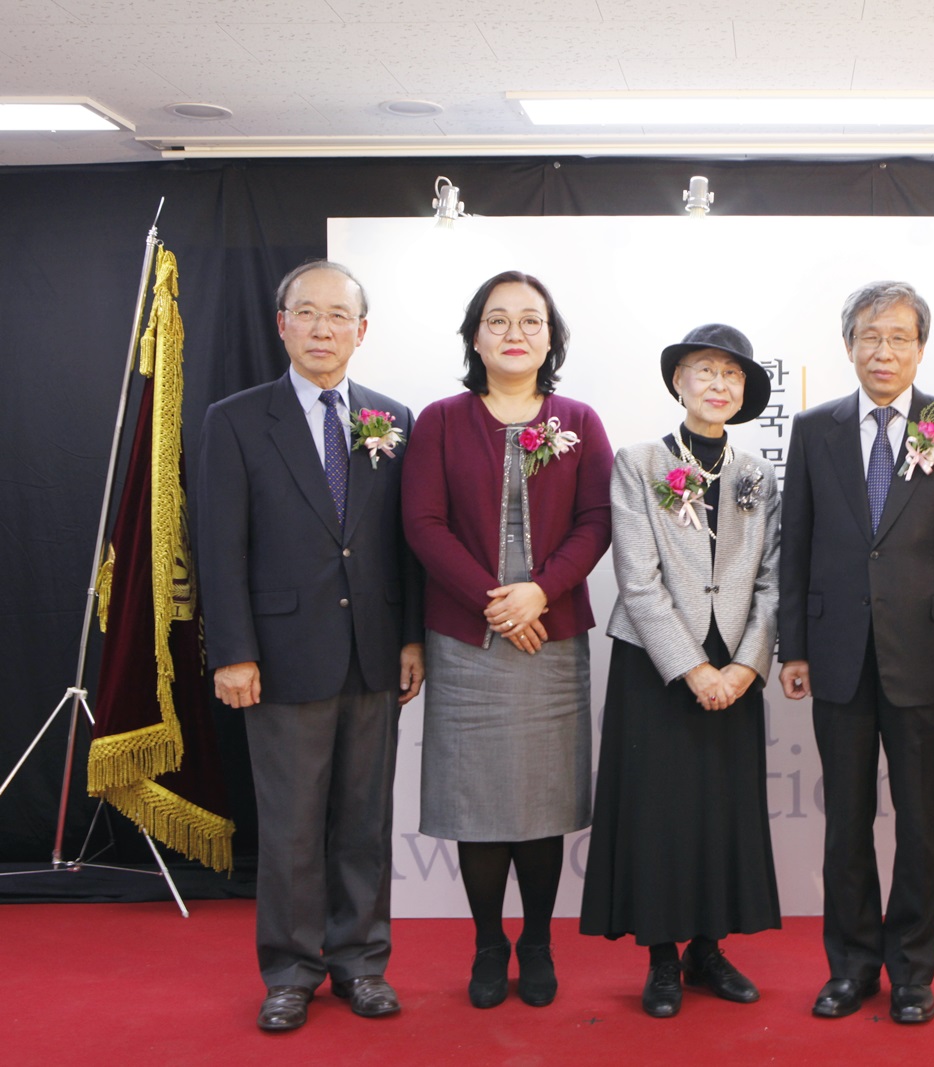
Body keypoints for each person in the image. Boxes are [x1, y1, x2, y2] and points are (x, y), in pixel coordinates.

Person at [197, 260, 424, 1032]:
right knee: (292, 825)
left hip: (372, 651)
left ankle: (361, 962)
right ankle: (290, 971)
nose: (323, 328)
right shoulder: (234, 419)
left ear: (363, 331)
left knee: (364, 820)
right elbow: (219, 547)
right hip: (280, 655)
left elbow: (404, 543)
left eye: (339, 316)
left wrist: (411, 637)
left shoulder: (394, 419)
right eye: (308, 313)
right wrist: (233, 650)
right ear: (281, 323)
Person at [778, 281, 934, 1025]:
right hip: (836, 651)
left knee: (920, 822)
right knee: (844, 820)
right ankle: (850, 966)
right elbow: (797, 544)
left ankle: (911, 969)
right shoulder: (814, 430)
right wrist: (794, 644)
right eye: (870, 336)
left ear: (920, 347)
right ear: (848, 345)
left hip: (928, 656)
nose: (884, 350)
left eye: (899, 337)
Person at [401, 270, 613, 1010]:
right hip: (469, 636)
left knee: (542, 798)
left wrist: (540, 592)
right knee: (481, 799)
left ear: (550, 337)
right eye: (498, 320)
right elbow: (422, 525)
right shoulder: (439, 420)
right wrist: (497, 603)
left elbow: (596, 523)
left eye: (531, 320)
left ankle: (540, 941)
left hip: (551, 638)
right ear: (474, 336)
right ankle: (489, 942)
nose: (514, 331)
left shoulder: (580, 419)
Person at [579, 323, 781, 1019]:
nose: (718, 384)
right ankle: (662, 957)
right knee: (660, 814)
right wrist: (693, 669)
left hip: (737, 670)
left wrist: (747, 666)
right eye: (704, 371)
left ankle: (708, 949)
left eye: (731, 375)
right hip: (658, 668)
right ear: (678, 382)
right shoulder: (638, 463)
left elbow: (772, 584)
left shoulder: (759, 475)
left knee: (721, 812)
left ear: (745, 391)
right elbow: (636, 580)